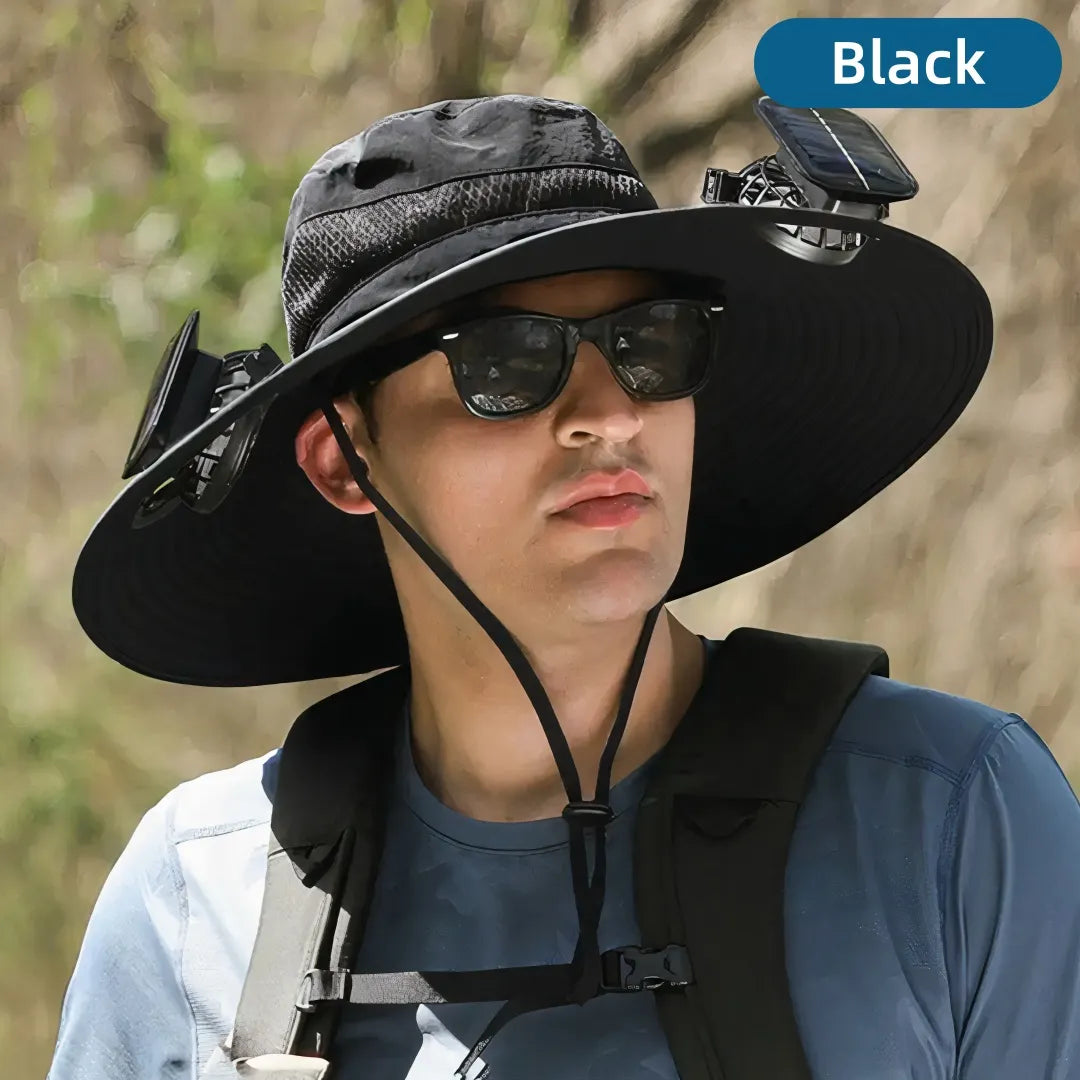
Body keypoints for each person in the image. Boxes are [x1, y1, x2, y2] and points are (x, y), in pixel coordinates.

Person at [49, 95, 1080, 1080]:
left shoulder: (949, 818)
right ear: (343, 460)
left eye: (652, 345)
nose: (608, 414)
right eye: (507, 362)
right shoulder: (200, 896)